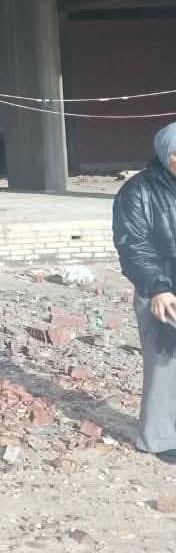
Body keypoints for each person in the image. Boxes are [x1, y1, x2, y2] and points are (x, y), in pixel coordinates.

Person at [113, 121, 176, 463]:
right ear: (166, 154)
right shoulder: (138, 191)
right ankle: (159, 439)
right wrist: (157, 288)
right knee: (165, 364)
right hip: (162, 288)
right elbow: (132, 244)